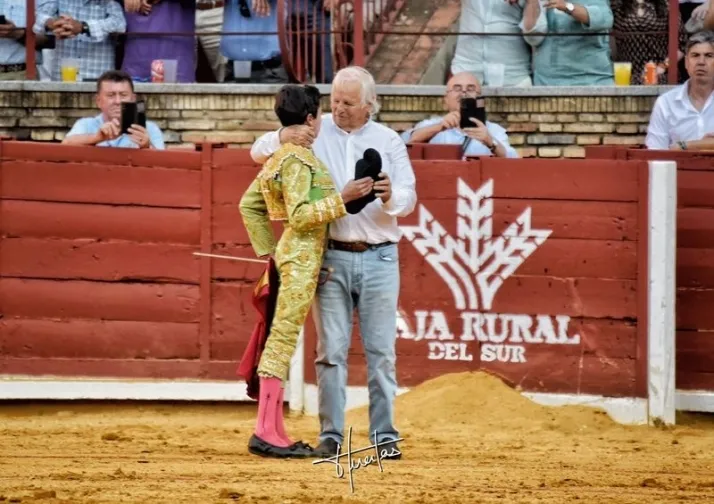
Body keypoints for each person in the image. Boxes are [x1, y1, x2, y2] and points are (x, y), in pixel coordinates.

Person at [251, 66, 417, 459]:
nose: (339, 109)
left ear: (369, 105)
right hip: (331, 256)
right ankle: (331, 435)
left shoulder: (388, 140)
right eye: (336, 100)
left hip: (380, 255)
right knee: (331, 352)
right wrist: (283, 135)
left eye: (349, 103)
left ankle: (384, 436)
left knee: (381, 352)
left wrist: (390, 196)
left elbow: (408, 200)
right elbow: (258, 151)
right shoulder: (314, 132)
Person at [239, 84, 374, 458]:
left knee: (279, 340)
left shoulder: (280, 157)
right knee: (281, 342)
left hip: (293, 258)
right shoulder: (298, 160)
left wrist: (271, 252)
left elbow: (248, 205)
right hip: (301, 261)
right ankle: (265, 432)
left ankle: (273, 430)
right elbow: (299, 217)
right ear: (312, 119)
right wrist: (342, 199)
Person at [401, 72, 519, 158]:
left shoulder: (493, 130)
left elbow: (513, 160)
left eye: (470, 89)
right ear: (446, 99)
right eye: (457, 88)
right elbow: (404, 145)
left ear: (480, 99)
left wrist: (491, 142)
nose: (463, 93)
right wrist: (439, 127)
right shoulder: (431, 125)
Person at [645, 30, 714, 150]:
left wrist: (685, 146)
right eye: (695, 55)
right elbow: (656, 152)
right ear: (686, 63)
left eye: (709, 56)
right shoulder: (666, 103)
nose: (701, 62)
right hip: (676, 163)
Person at [63, 70, 165, 149]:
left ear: (133, 99)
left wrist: (147, 146)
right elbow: (64, 146)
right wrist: (97, 138)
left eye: (123, 95)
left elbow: (162, 164)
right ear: (98, 101)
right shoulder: (86, 124)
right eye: (111, 95)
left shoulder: (150, 128)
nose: (117, 101)